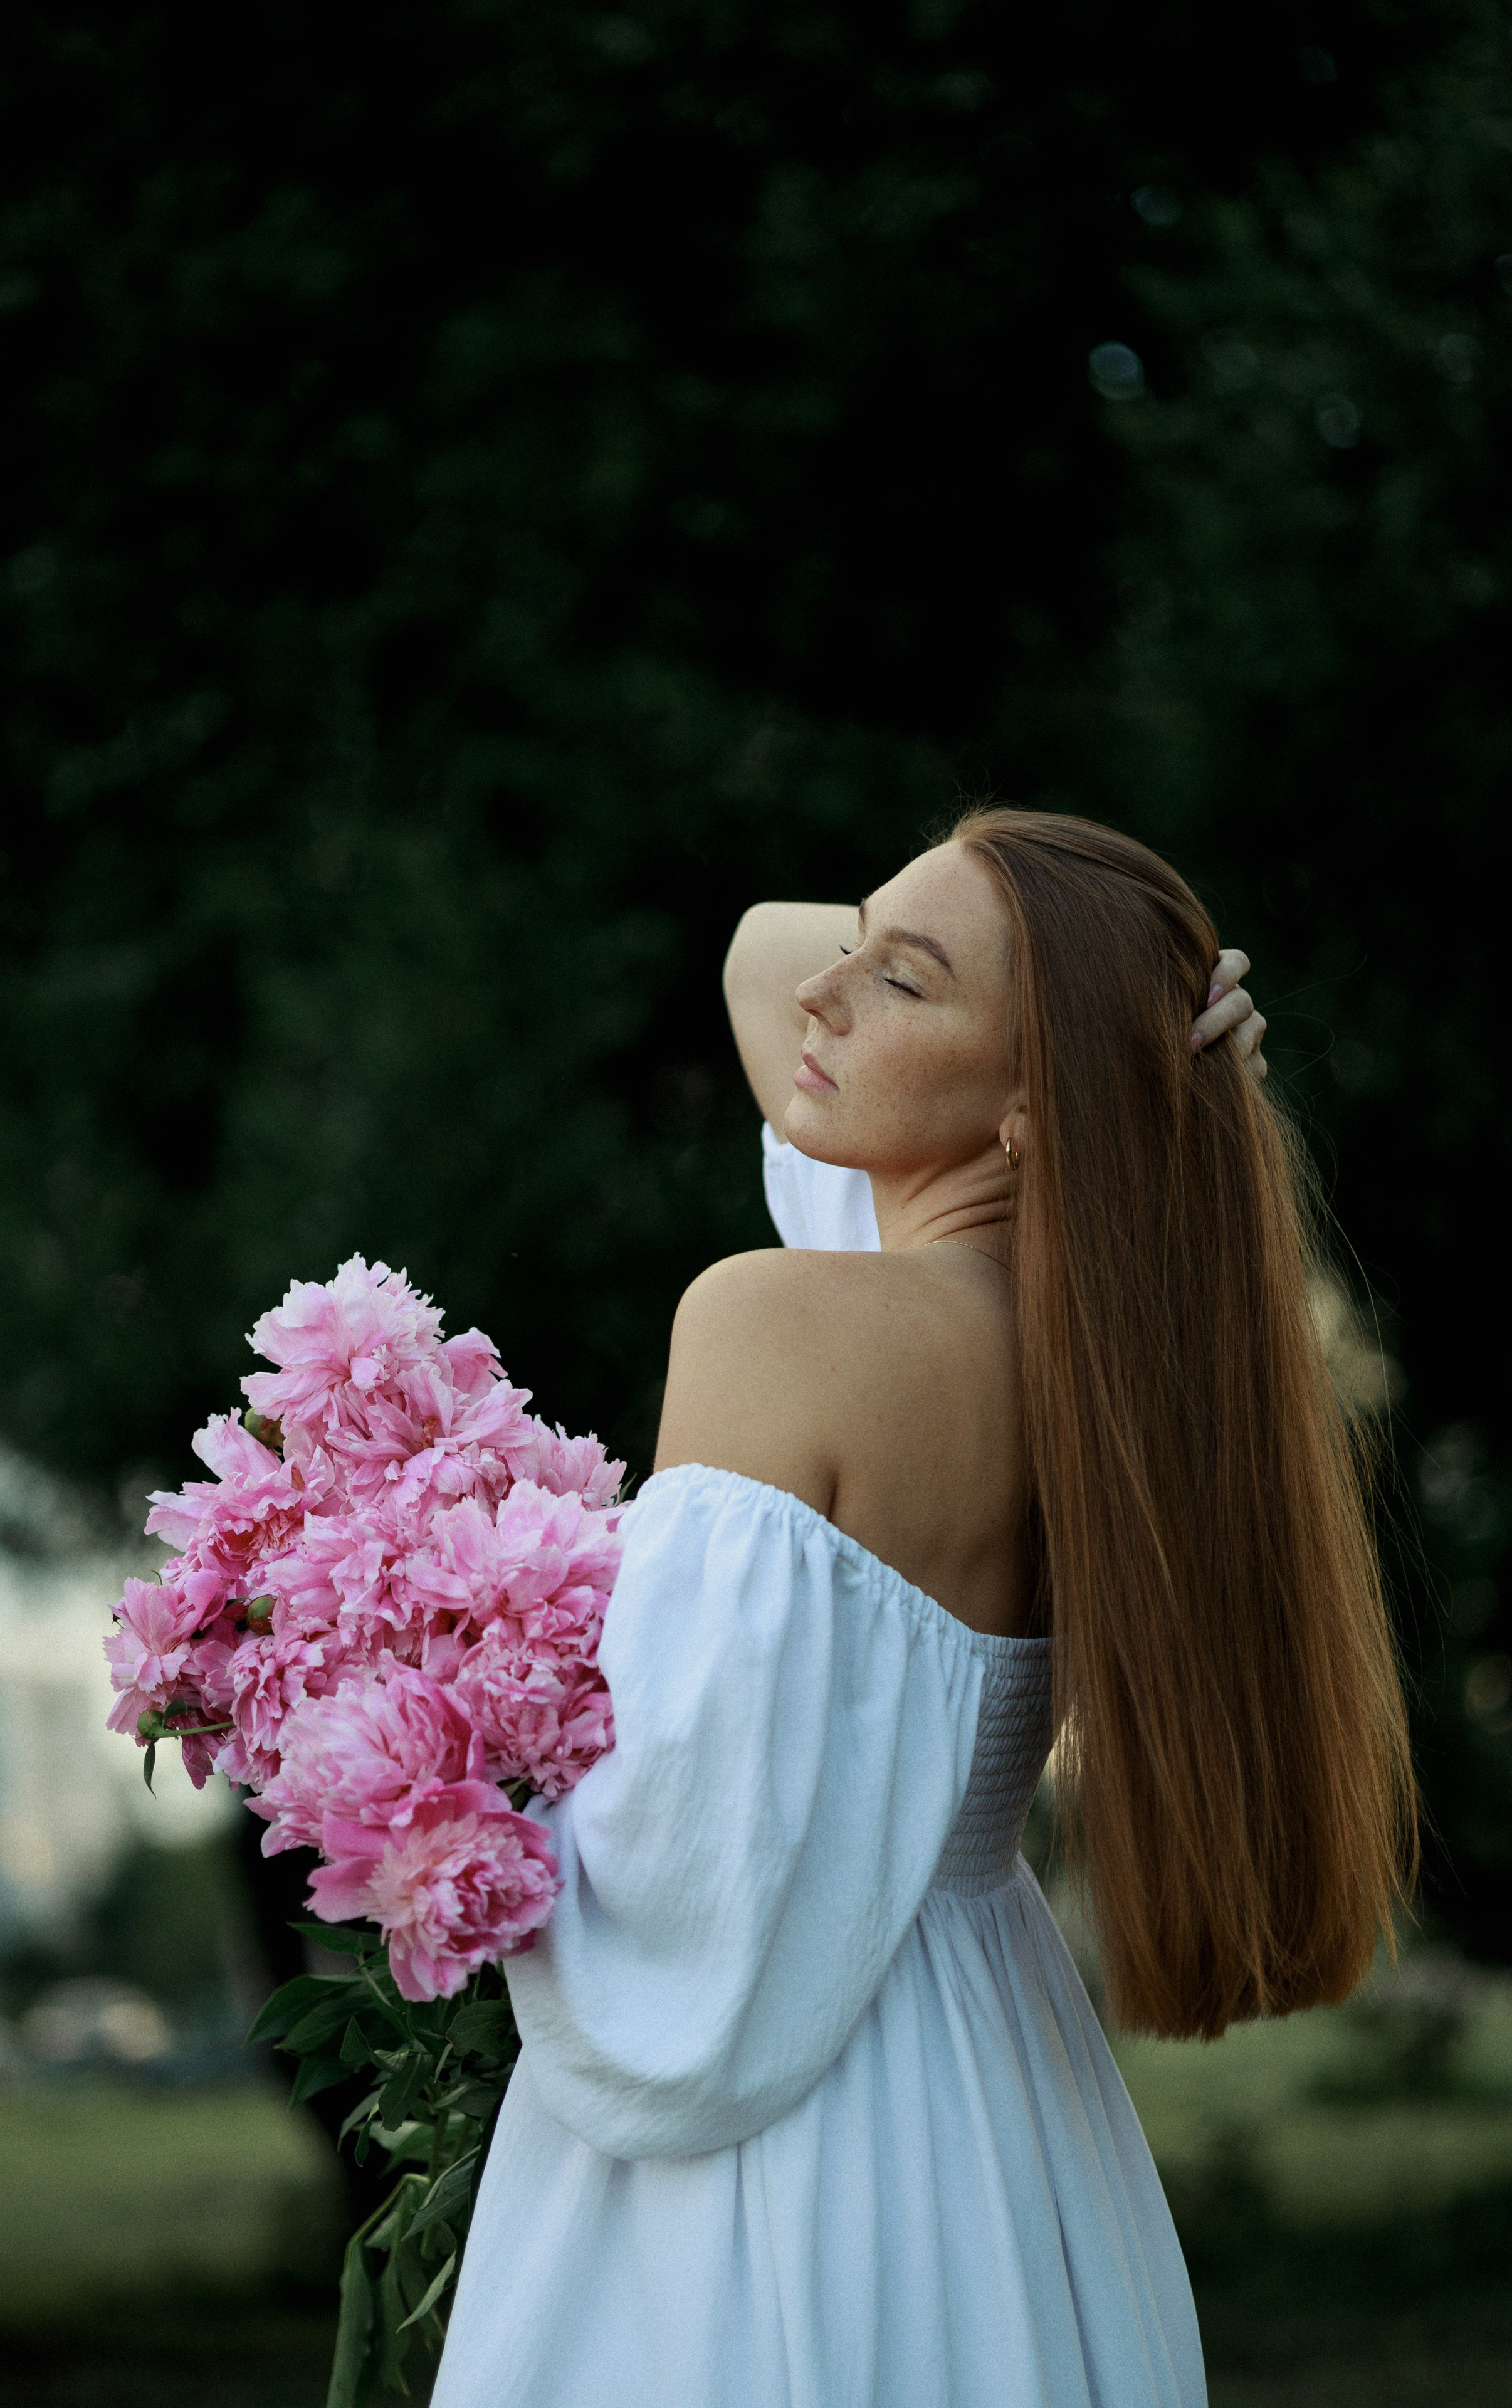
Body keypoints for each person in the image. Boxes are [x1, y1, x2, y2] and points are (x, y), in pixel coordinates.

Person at [434, 807, 1415, 2408]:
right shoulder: (1116, 1365)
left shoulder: (780, 1320)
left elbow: (676, 1891)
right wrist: (1134, 1034)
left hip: (778, 2138)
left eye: (900, 986)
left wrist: (406, 1751)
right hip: (998, 2100)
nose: (821, 997)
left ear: (1029, 1104)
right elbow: (772, 940)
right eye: (861, 951)